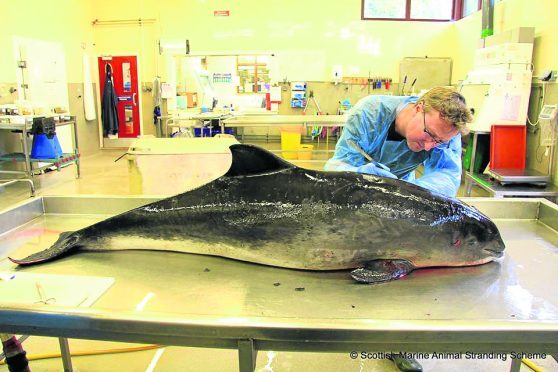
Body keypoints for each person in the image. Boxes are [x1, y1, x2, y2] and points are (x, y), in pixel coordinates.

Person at [325, 87, 473, 197]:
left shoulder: (447, 131)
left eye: (438, 142)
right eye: (429, 134)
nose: (429, 147)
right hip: (357, 193)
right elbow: (336, 168)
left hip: (402, 194)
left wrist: (410, 192)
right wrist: (358, 175)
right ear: (418, 108)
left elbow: (446, 175)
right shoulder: (370, 113)